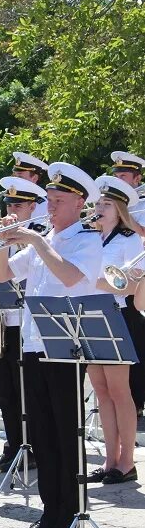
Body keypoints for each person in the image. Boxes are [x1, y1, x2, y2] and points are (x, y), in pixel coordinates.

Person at [0, 162, 102, 528]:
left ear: (78, 202)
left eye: (57, 201)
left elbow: (72, 278)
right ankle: (49, 514)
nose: (50, 207)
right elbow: (4, 277)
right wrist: (3, 243)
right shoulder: (45, 238)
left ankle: (69, 515)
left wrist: (37, 242)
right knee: (40, 433)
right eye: (49, 200)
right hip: (35, 344)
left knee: (64, 436)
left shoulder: (87, 239)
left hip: (67, 349)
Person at [0, 176, 46, 472]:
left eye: (18, 204)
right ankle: (12, 445)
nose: (12, 210)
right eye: (9, 204)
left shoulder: (41, 234)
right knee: (5, 390)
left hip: (25, 320)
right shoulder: (1, 234)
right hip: (2, 319)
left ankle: (30, 447)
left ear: (33, 207)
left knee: (25, 391)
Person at [85, 175, 142, 485]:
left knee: (120, 391)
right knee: (101, 392)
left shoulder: (129, 239)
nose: (99, 208)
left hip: (118, 314)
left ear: (120, 209)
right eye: (98, 203)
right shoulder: (91, 238)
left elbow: (132, 286)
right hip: (91, 314)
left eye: (106, 204)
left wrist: (89, 281)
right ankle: (109, 459)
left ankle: (127, 461)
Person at [109, 151, 145, 415]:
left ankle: (138, 405)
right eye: (116, 175)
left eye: (124, 176)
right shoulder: (109, 203)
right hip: (116, 283)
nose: (119, 180)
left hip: (138, 283)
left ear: (137, 178)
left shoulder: (142, 205)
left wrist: (123, 213)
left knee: (138, 347)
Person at [11, 152, 49, 220]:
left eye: (20, 177)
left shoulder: (44, 206)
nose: (16, 181)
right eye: (15, 176)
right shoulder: (11, 199)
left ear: (34, 178)